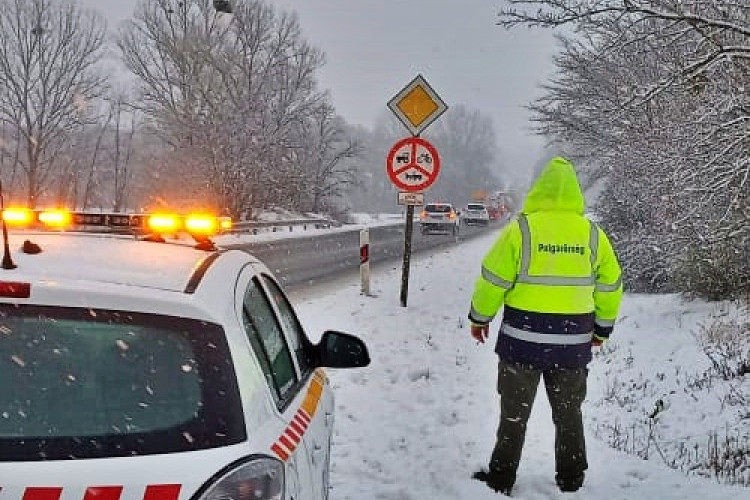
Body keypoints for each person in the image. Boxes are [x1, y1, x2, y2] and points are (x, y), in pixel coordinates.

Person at [468, 156, 623, 495]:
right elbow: (611, 285)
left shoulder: (521, 230)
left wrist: (480, 318)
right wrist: (602, 330)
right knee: (569, 416)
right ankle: (571, 479)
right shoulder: (592, 234)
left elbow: (492, 281)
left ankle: (501, 477)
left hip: (520, 343)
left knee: (513, 415)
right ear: (575, 193)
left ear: (540, 190)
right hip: (572, 346)